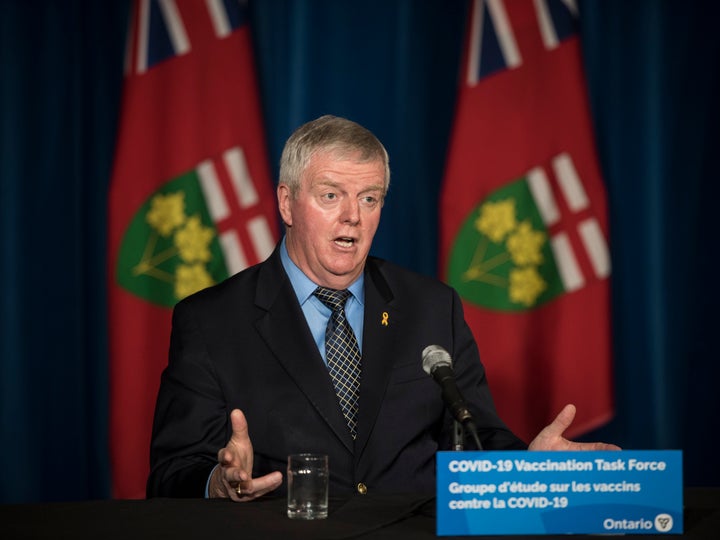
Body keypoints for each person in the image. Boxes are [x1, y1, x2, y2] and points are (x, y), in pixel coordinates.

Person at [147, 115, 618, 501]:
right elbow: (171, 473)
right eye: (331, 195)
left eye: (369, 198)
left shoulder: (433, 307)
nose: (352, 215)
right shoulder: (211, 322)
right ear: (287, 204)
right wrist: (217, 485)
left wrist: (526, 468)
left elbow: (476, 440)